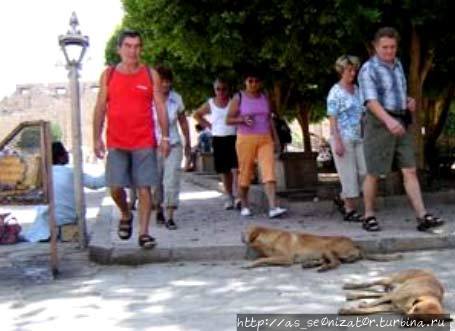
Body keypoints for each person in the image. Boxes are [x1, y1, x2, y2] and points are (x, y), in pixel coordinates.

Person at [358, 27, 444, 232]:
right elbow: (370, 100)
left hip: (401, 121)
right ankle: (368, 215)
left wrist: (407, 101)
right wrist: (388, 120)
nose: (389, 51)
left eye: (392, 47)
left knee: (410, 169)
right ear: (375, 47)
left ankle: (422, 216)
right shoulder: (368, 69)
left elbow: (393, 93)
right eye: (385, 47)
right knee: (374, 173)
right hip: (379, 123)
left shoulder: (397, 65)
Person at [92, 29, 170, 249]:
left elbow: (160, 106)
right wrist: (96, 138)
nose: (132, 51)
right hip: (117, 141)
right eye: (128, 46)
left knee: (144, 187)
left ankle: (144, 234)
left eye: (137, 46)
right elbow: (100, 107)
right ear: (119, 49)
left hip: (144, 140)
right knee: (115, 187)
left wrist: (165, 136)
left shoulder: (149, 74)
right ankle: (125, 214)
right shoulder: (109, 75)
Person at [226, 69, 287, 218]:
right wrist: (242, 119)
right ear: (245, 82)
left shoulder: (265, 96)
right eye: (250, 81)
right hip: (245, 139)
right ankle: (244, 204)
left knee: (269, 171)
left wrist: (276, 139)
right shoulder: (238, 97)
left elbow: (270, 118)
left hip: (265, 138)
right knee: (245, 173)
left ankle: (273, 207)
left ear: (260, 83)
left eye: (256, 81)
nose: (253, 84)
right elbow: (228, 120)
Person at [23, 142, 105, 242]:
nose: (68, 155)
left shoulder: (41, 176)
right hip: (68, 219)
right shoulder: (71, 172)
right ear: (61, 157)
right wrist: (112, 167)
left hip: (46, 224)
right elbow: (95, 183)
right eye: (66, 153)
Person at [327, 55, 366, 223]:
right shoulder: (335, 92)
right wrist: (337, 141)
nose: (353, 73)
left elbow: (364, 113)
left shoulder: (357, 89)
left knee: (364, 172)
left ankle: (342, 198)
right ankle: (349, 209)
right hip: (343, 137)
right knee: (348, 174)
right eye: (349, 70)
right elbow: (332, 118)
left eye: (354, 69)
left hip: (359, 137)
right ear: (341, 71)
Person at [153, 66, 190, 230]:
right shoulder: (148, 98)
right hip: (153, 145)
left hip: (173, 144)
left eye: (168, 81)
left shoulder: (177, 99)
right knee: (156, 182)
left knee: (171, 180)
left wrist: (188, 141)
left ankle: (170, 215)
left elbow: (183, 120)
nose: (166, 85)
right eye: (162, 81)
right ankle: (158, 207)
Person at [194, 78, 240, 210]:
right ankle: (229, 196)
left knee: (236, 168)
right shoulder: (211, 103)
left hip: (234, 136)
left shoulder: (233, 102)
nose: (221, 91)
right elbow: (197, 114)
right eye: (217, 89)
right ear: (214, 90)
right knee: (224, 170)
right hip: (218, 137)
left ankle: (238, 196)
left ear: (228, 89)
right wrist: (209, 126)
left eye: (223, 88)